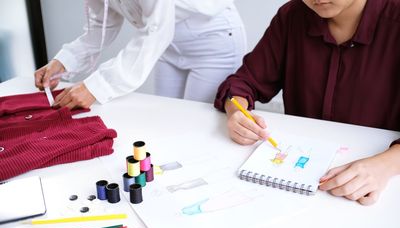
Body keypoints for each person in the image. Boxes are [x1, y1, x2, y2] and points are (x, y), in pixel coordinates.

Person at [214, 0, 400, 205]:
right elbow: (243, 83)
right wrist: (236, 112)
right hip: (296, 183)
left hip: (374, 188)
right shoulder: (292, 15)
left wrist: (386, 165)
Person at [35, 0, 246, 108]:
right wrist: (63, 61)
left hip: (213, 43)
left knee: (198, 124)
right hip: (168, 47)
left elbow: (156, 30)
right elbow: (101, 25)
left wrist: (96, 86)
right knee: (165, 118)